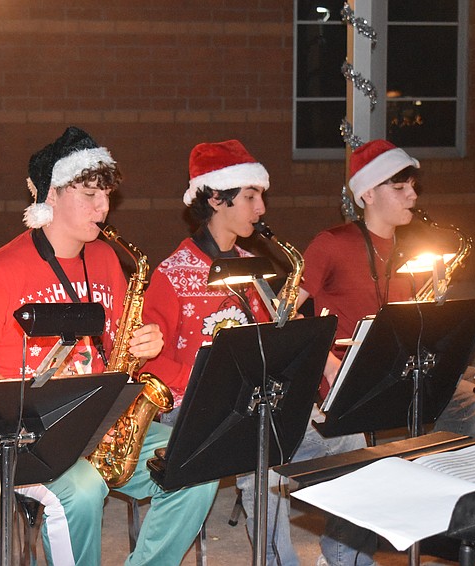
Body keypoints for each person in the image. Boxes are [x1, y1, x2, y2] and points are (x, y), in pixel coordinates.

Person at [0, 126, 218, 565]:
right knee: (83, 488)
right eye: (90, 194)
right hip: (26, 433)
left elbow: (118, 347)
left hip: (100, 423)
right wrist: (54, 403)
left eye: (107, 195)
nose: (104, 207)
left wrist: (145, 343)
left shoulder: (106, 258)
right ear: (51, 195)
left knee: (195, 464)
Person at [295, 138, 475, 565]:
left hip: (396, 372)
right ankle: (344, 548)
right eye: (400, 187)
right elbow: (286, 312)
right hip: (345, 376)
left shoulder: (407, 251)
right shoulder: (331, 242)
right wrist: (328, 363)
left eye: (413, 186)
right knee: (354, 444)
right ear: (368, 193)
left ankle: (436, 503)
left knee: (473, 397)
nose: (413, 196)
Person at [141, 140, 303, 566]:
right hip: (189, 406)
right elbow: (148, 360)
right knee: (260, 446)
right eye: (251, 197)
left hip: (248, 401)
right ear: (216, 198)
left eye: (261, 196)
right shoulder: (171, 274)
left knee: (341, 438)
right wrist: (202, 385)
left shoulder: (254, 268)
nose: (261, 208)